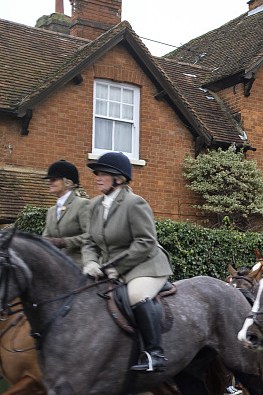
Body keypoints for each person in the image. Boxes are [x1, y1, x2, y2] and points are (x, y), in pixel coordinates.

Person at [82, 152, 173, 372]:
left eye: (103, 173)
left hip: (147, 265)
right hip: (111, 268)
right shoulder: (94, 206)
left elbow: (146, 242)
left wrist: (116, 268)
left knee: (136, 296)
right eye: (97, 173)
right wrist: (91, 262)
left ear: (119, 179)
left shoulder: (134, 203)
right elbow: (88, 241)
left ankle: (155, 354)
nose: (97, 177)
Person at [41, 160, 90, 265]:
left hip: (79, 266)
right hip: (55, 267)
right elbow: (45, 239)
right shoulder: (51, 211)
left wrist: (64, 242)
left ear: (67, 183)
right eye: (49, 180)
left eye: (54, 180)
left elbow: (90, 236)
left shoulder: (82, 204)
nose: (50, 183)